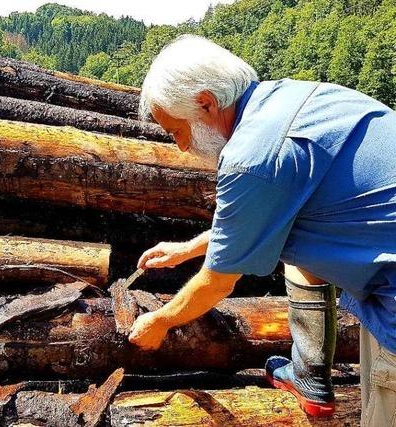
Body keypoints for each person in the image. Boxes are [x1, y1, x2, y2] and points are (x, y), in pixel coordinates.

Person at [130, 35, 396, 425]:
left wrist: (161, 322)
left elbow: (218, 283)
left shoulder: (251, 157)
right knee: (300, 258)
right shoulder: (299, 98)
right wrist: (189, 248)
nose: (182, 147)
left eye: (177, 131)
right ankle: (308, 377)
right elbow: (275, 218)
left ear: (206, 103)